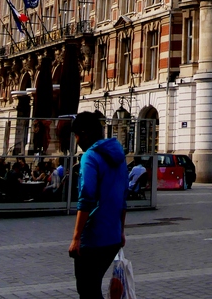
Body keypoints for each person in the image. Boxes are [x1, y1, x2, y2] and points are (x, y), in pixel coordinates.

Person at [68, 112, 128, 299]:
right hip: (113, 237)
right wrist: (121, 230)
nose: (76, 140)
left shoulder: (90, 157)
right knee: (92, 288)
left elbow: (86, 196)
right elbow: (123, 196)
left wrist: (76, 237)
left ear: (84, 133)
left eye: (76, 135)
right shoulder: (119, 156)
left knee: (87, 290)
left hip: (93, 236)